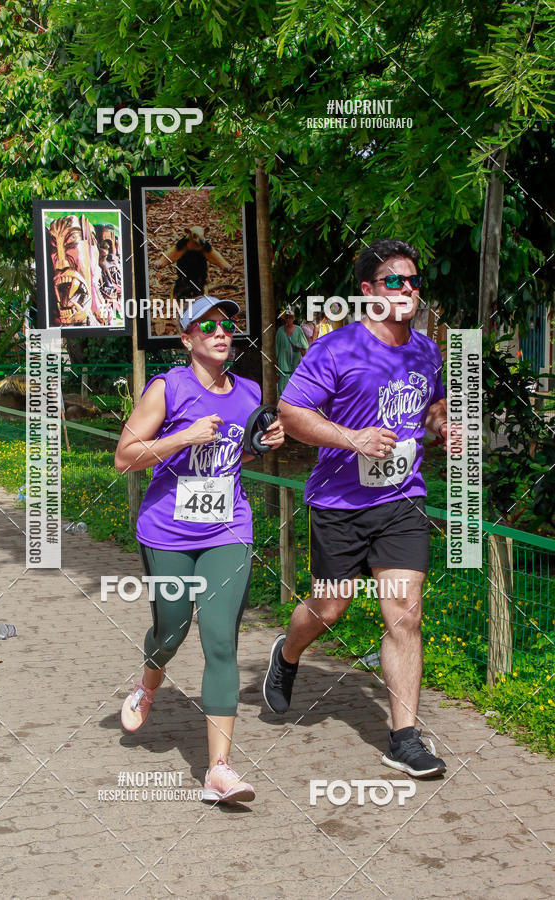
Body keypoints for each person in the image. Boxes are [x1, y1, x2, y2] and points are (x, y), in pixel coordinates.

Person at [263, 239, 449, 778]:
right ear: (368, 292)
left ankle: (404, 738)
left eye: (413, 282)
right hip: (340, 502)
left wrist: (443, 428)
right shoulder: (335, 349)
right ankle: (288, 653)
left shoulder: (426, 350)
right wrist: (353, 438)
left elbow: (430, 409)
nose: (408, 290)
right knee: (330, 609)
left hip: (401, 500)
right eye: (395, 281)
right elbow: (292, 412)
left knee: (405, 613)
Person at [114, 295, 284, 803]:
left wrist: (265, 441)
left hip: (227, 529)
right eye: (206, 325)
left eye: (228, 324)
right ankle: (149, 683)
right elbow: (124, 457)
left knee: (219, 638)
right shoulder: (168, 387)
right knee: (172, 627)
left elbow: (241, 446)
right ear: (186, 338)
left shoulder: (249, 389)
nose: (221, 331)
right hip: (167, 532)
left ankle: (219, 769)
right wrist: (183, 436)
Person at [276, 306, 309, 395]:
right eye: (287, 317)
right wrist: (276, 366)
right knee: (283, 385)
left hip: (296, 361)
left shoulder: (298, 330)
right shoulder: (280, 331)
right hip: (283, 363)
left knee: (296, 384)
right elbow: (277, 349)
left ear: (293, 318)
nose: (289, 319)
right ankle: (282, 406)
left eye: (290, 317)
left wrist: (305, 363)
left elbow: (305, 347)